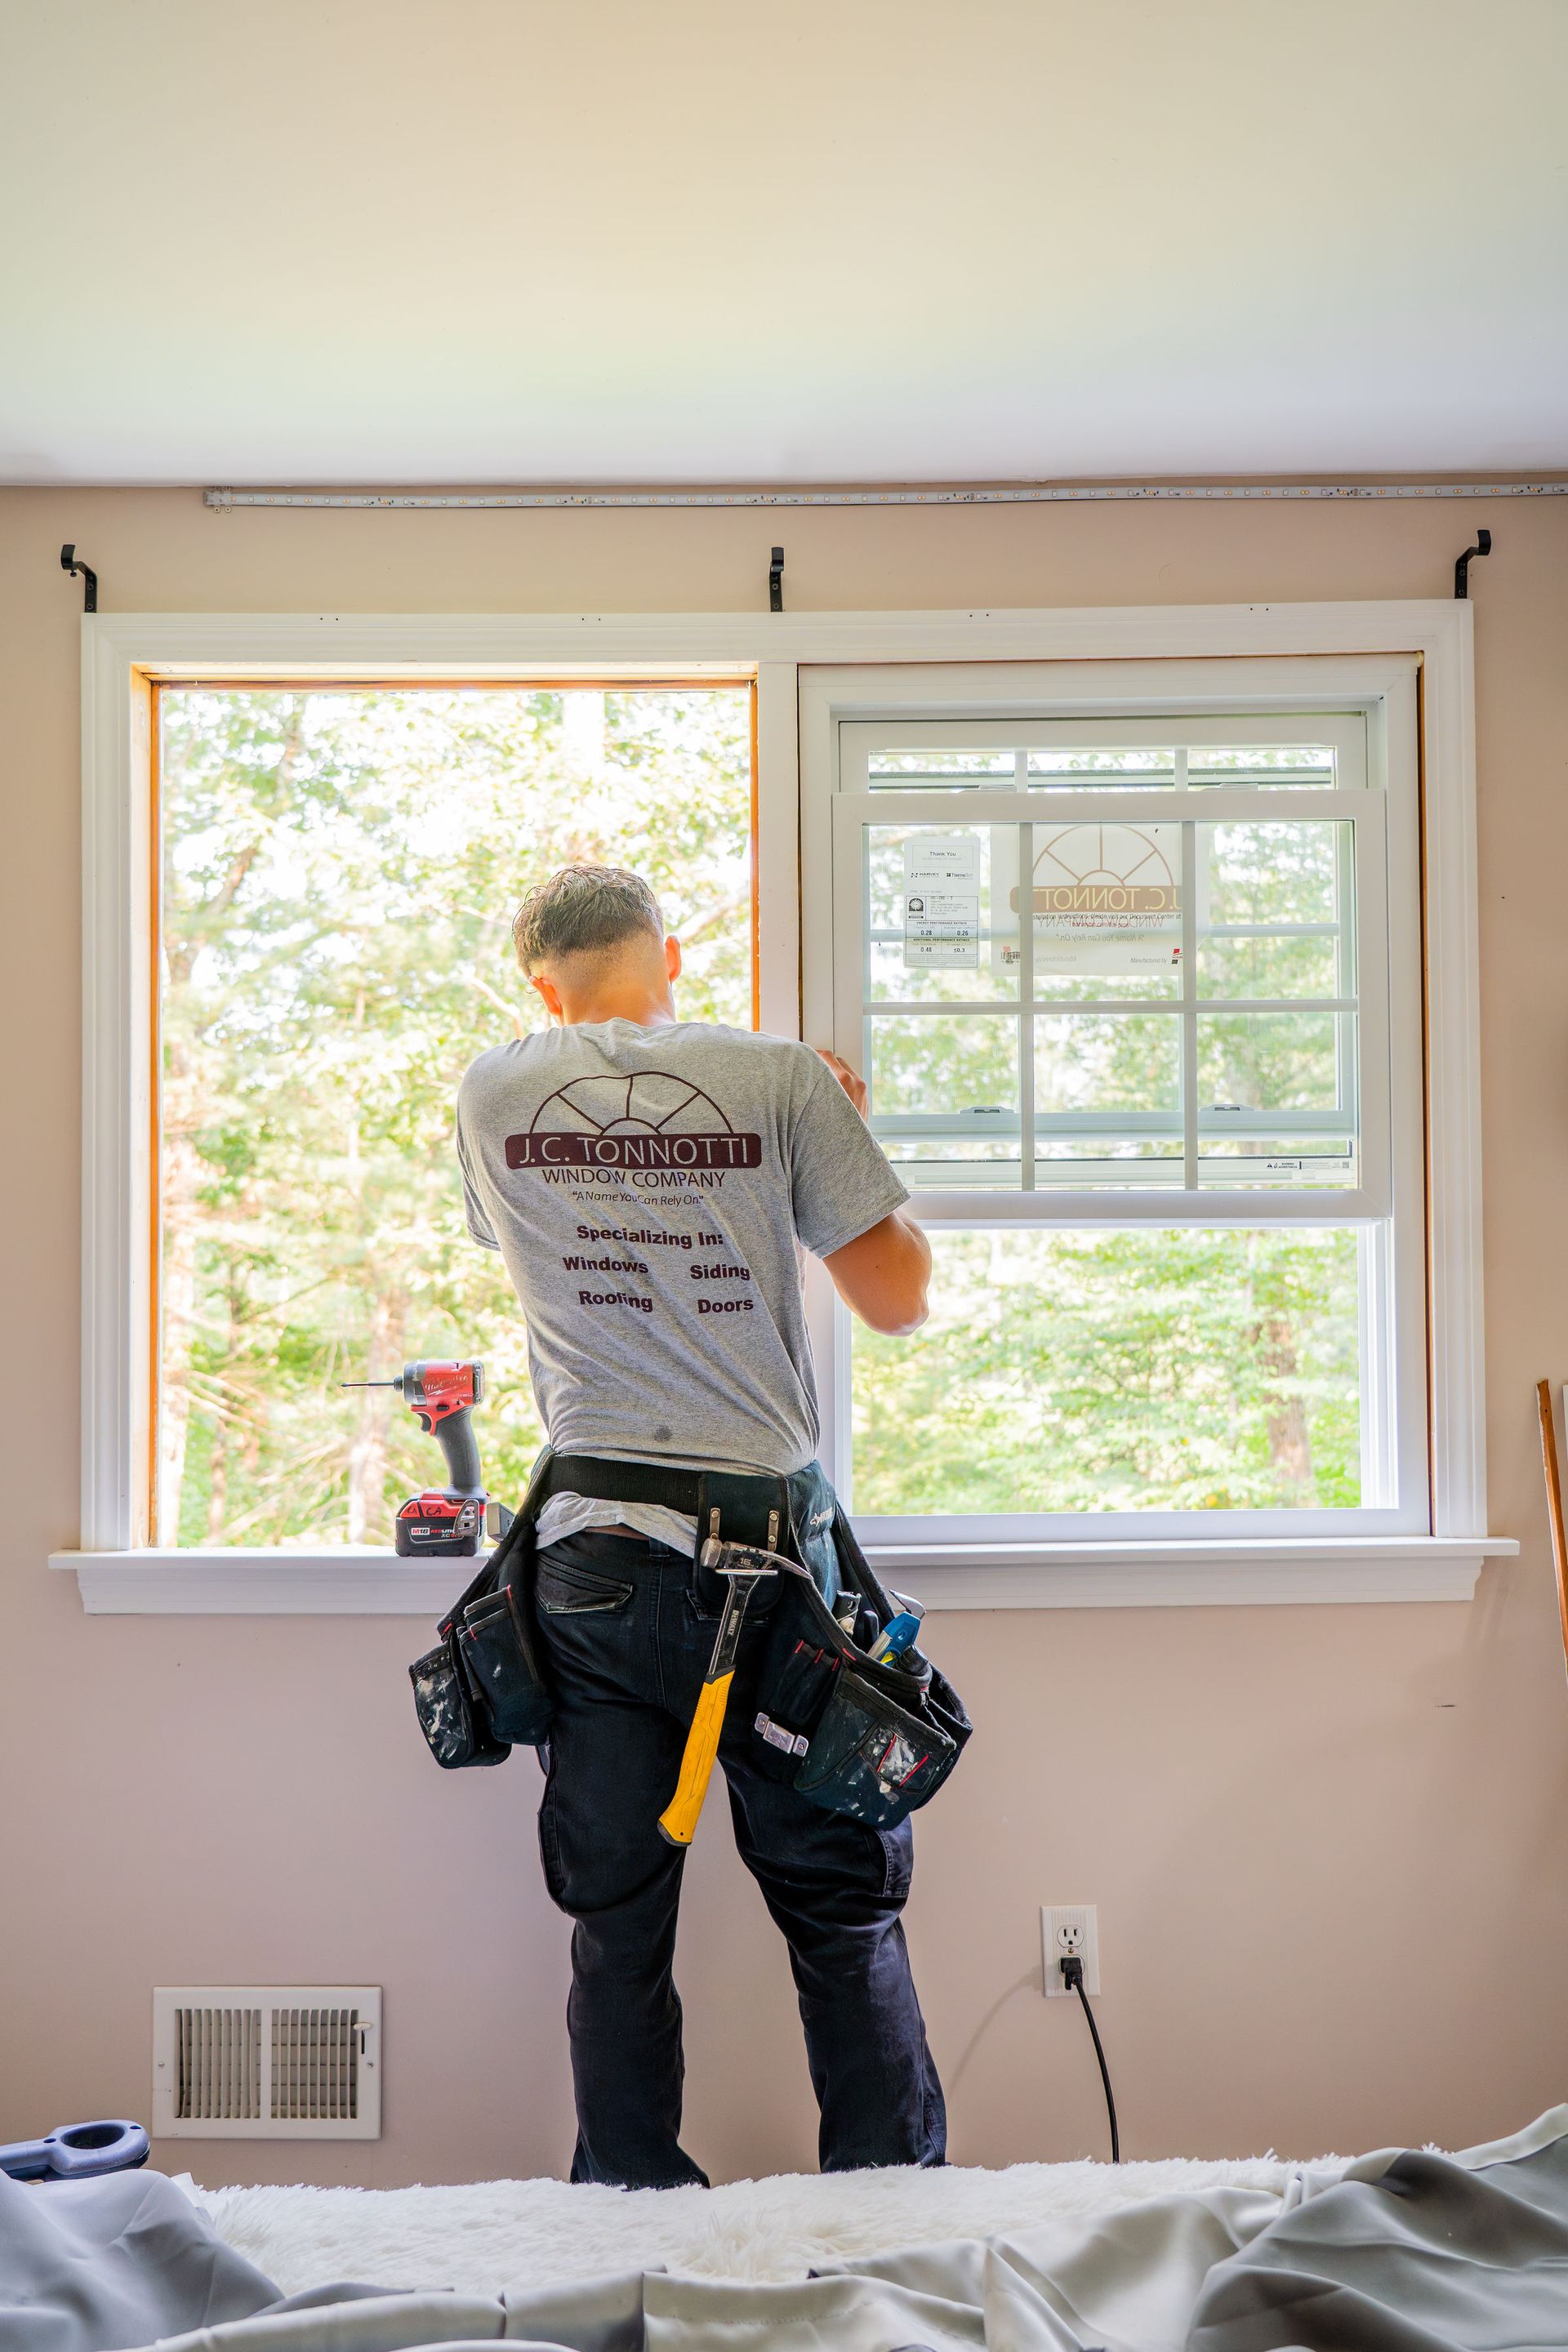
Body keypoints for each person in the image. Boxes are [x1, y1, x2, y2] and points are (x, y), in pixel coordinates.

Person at [455, 863, 942, 2188]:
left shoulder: (492, 1090)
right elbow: (898, 1300)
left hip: (595, 1560)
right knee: (841, 1910)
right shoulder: (780, 1079)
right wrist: (838, 1127)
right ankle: (889, 2212)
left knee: (615, 1926)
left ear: (542, 986)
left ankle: (627, 2215)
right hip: (771, 1556)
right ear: (670, 956)